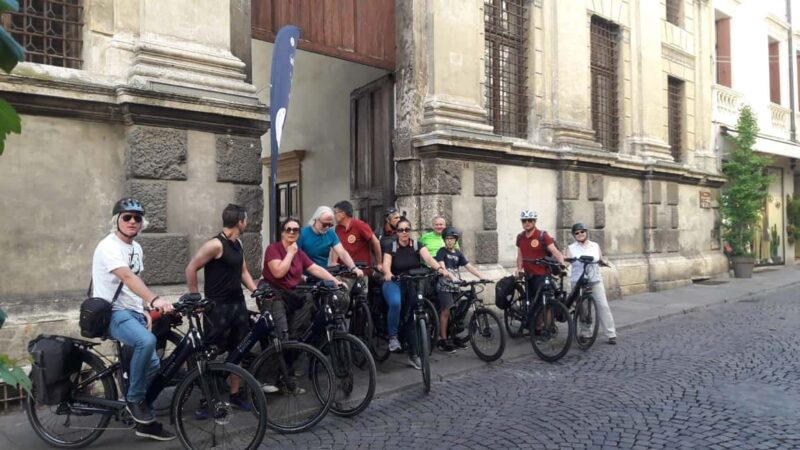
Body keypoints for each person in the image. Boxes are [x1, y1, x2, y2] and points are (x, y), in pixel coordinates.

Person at [92, 198, 175, 440]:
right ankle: (135, 399)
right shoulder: (108, 247)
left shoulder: (136, 248)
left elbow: (131, 288)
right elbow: (127, 277)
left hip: (133, 312)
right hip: (111, 312)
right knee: (146, 342)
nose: (132, 221)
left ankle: (141, 421)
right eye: (126, 217)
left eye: (137, 218)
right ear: (116, 220)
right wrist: (154, 300)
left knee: (154, 365)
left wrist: (144, 310)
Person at [184, 204, 259, 412]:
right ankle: (207, 400)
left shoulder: (238, 243)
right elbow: (191, 268)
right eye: (246, 219)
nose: (247, 223)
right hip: (217, 307)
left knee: (239, 349)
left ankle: (234, 394)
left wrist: (255, 290)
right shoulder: (215, 245)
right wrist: (194, 296)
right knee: (212, 353)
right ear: (240, 221)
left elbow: (243, 272)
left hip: (237, 304)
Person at [382, 217, 451, 369]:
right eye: (401, 230)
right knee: (395, 303)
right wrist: (388, 273)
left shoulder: (417, 245)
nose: (404, 233)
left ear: (410, 231)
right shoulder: (391, 246)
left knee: (414, 315)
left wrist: (440, 269)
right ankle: (393, 337)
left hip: (412, 282)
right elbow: (386, 265)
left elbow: (428, 258)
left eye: (407, 229)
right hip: (394, 281)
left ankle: (414, 354)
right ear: (396, 232)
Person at [261, 217, 343, 343]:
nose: (292, 232)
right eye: (288, 229)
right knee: (281, 335)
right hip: (274, 295)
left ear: (299, 233)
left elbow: (316, 269)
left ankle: (294, 351)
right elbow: (278, 272)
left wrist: (335, 282)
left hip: (291, 295)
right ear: (282, 232)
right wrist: (290, 253)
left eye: (296, 230)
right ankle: (276, 359)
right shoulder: (273, 249)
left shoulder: (299, 253)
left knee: (303, 318)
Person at [434, 227, 488, 353]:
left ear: (455, 240)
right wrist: (450, 276)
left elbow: (469, 266)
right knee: (446, 312)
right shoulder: (441, 252)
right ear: (444, 240)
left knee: (456, 313)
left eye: (451, 239)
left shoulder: (458, 253)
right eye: (447, 239)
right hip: (445, 286)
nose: (449, 241)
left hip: (455, 286)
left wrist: (481, 276)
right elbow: (442, 266)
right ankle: (443, 339)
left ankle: (453, 337)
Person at [565, 222, 617, 345]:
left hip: (595, 280)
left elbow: (600, 259)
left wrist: (603, 262)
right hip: (579, 281)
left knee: (603, 305)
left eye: (582, 231)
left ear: (586, 232)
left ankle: (611, 334)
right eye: (577, 233)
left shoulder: (595, 246)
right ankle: (585, 333)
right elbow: (566, 262)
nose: (580, 234)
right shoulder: (571, 248)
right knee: (583, 309)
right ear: (574, 235)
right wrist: (563, 263)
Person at [515, 209, 565, 317]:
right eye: (524, 221)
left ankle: (546, 327)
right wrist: (519, 269)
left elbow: (555, 251)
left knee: (545, 302)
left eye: (529, 220)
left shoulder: (542, 235)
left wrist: (562, 262)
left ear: (534, 221)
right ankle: (535, 327)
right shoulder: (520, 237)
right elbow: (520, 255)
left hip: (542, 275)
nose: (527, 223)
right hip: (528, 275)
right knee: (532, 303)